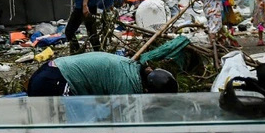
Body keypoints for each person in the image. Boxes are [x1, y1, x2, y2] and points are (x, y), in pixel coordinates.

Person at [26, 52, 178, 97]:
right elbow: (121, 122)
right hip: (54, 81)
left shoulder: (132, 71)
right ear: (148, 91)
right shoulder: (127, 86)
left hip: (51, 73)